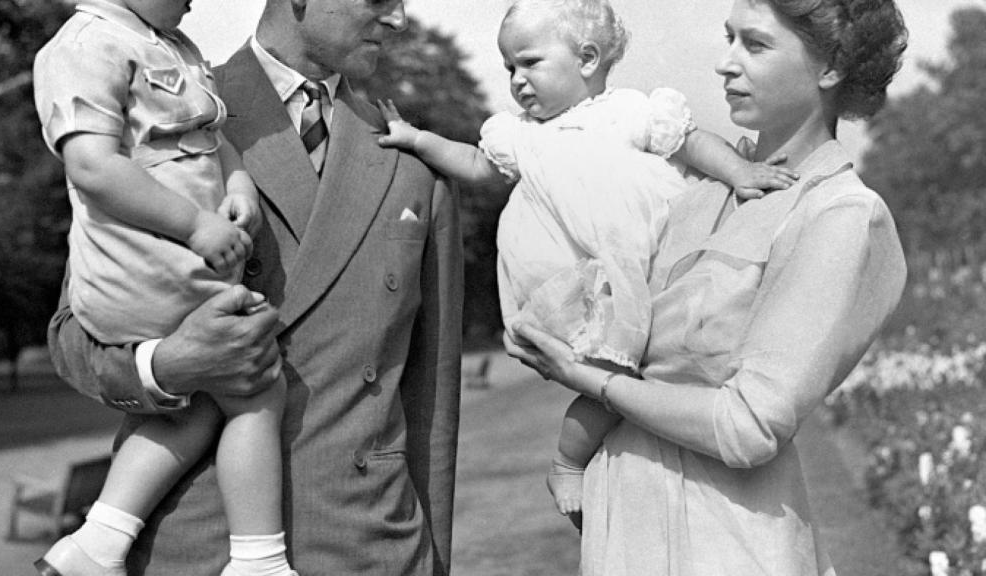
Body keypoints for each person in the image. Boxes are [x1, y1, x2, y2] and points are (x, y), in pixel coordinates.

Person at [46, 0, 464, 574]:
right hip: (197, 547)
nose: (398, 20)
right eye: (379, 0)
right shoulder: (156, 110)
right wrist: (168, 365)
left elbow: (432, 394)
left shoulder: (414, 157)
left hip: (369, 544)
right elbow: (74, 334)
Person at [505, 0, 908, 574]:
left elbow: (750, 426)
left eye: (755, 44)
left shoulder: (838, 213)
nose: (726, 63)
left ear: (832, 67)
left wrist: (588, 380)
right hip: (622, 516)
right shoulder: (693, 186)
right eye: (728, 39)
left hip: (727, 535)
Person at [377, 0, 798, 518]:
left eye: (530, 63)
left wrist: (738, 172)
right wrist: (419, 139)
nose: (517, 80)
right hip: (575, 284)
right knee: (608, 374)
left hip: (640, 268)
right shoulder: (519, 133)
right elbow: (475, 164)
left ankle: (627, 461)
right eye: (509, 68)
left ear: (587, 59)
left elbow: (691, 144)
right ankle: (568, 462)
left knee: (651, 368)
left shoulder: (630, 112)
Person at [32, 1, 295, 575]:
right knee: (255, 385)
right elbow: (92, 167)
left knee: (198, 403)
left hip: (174, 267)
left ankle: (96, 544)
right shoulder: (85, 46)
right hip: (145, 268)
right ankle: (259, 560)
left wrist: (239, 186)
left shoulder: (171, 45)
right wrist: (197, 224)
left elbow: (213, 138)